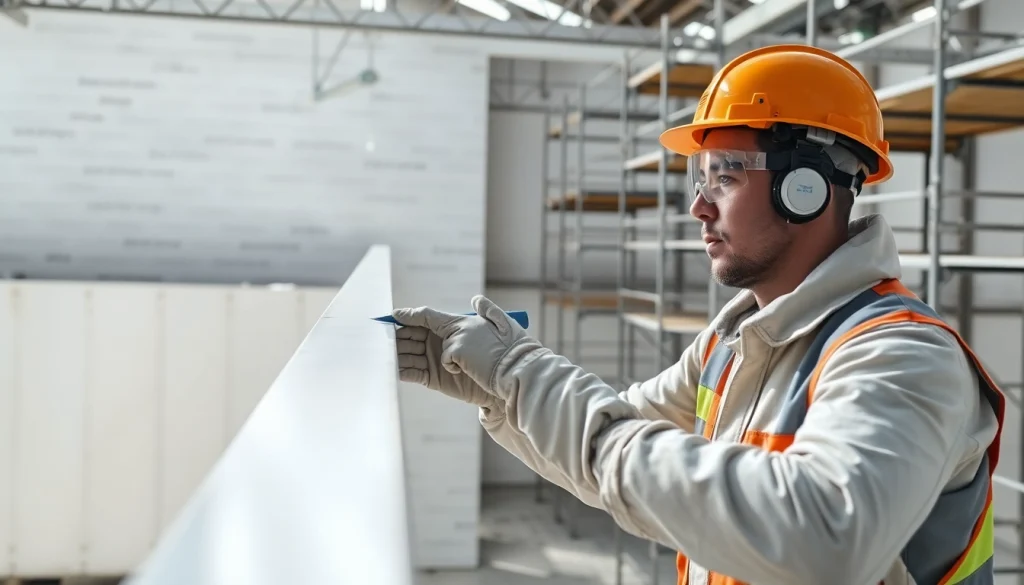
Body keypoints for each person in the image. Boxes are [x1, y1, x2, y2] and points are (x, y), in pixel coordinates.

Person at [390, 45, 1004, 585]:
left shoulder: (904, 355)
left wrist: (525, 372)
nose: (697, 207)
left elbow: (825, 536)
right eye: (700, 179)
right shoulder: (732, 343)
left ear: (806, 187)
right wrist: (500, 394)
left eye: (725, 177)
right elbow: (611, 447)